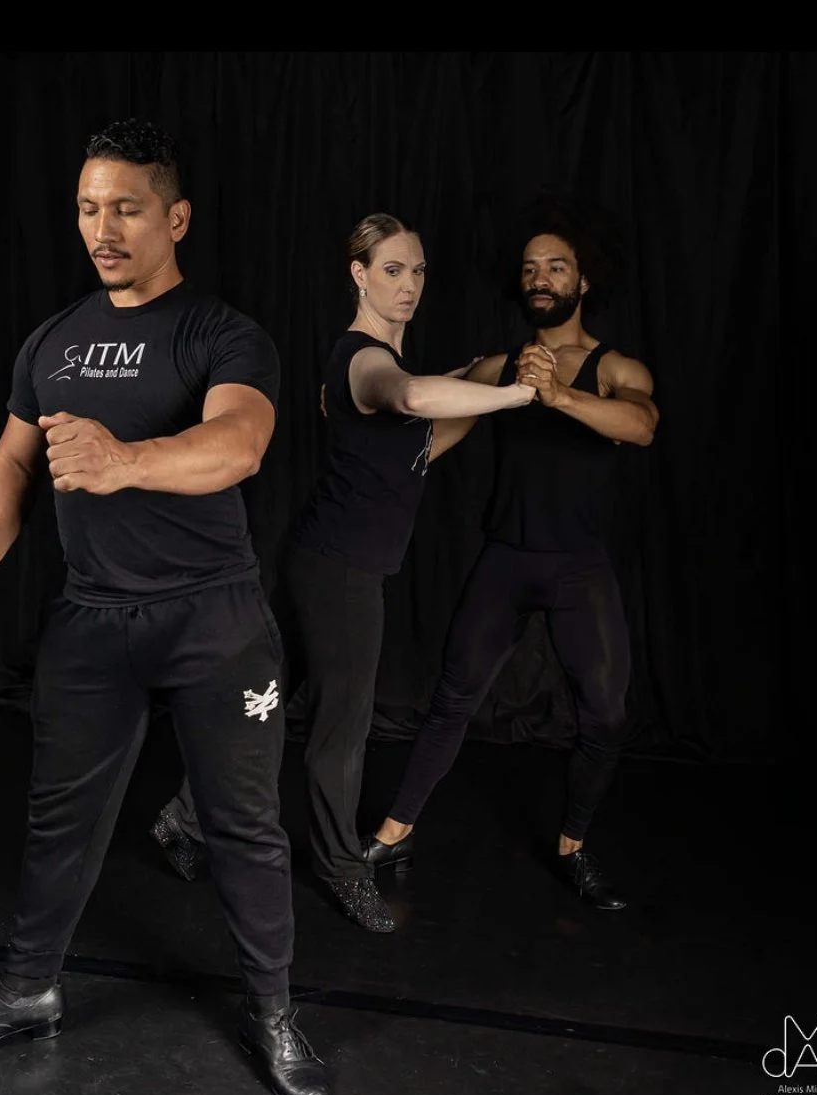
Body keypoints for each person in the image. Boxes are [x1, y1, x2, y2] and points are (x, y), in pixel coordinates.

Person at [0, 119, 328, 1095]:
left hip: (214, 619)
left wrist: (126, 462)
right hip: (91, 623)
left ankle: (274, 1010)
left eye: (124, 205)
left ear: (176, 216)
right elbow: (16, 454)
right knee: (58, 822)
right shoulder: (55, 338)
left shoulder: (224, 332)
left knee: (245, 826)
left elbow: (240, 442)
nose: (102, 225)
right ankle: (29, 988)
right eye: (87, 206)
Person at [151, 213, 534, 933]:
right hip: (343, 575)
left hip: (318, 558)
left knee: (262, 699)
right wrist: (518, 395)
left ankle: (184, 818)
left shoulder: (385, 364)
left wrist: (483, 375)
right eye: (393, 269)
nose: (410, 284)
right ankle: (340, 865)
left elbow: (420, 444)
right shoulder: (363, 360)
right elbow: (414, 397)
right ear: (359, 274)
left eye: (419, 270)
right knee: (341, 729)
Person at [365, 193, 659, 911]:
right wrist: (365, 423)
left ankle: (574, 844)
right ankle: (391, 833)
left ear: (582, 281)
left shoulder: (616, 366)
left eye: (557, 266)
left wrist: (556, 394)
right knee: (451, 698)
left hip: (578, 566)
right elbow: (432, 426)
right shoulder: (501, 364)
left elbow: (641, 426)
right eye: (531, 267)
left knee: (607, 713)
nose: (542, 277)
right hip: (506, 558)